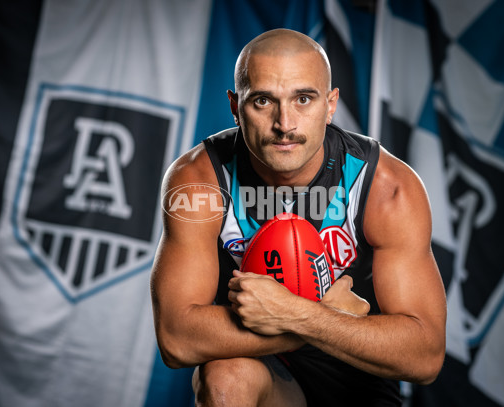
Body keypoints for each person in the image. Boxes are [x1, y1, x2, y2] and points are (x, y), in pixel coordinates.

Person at [150, 28, 446, 406]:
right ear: (235, 107)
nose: (285, 123)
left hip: (358, 385)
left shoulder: (384, 186)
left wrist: (295, 315)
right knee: (224, 380)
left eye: (303, 99)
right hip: (266, 374)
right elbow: (176, 339)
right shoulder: (199, 180)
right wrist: (315, 318)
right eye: (262, 101)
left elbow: (425, 356)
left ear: (331, 104)